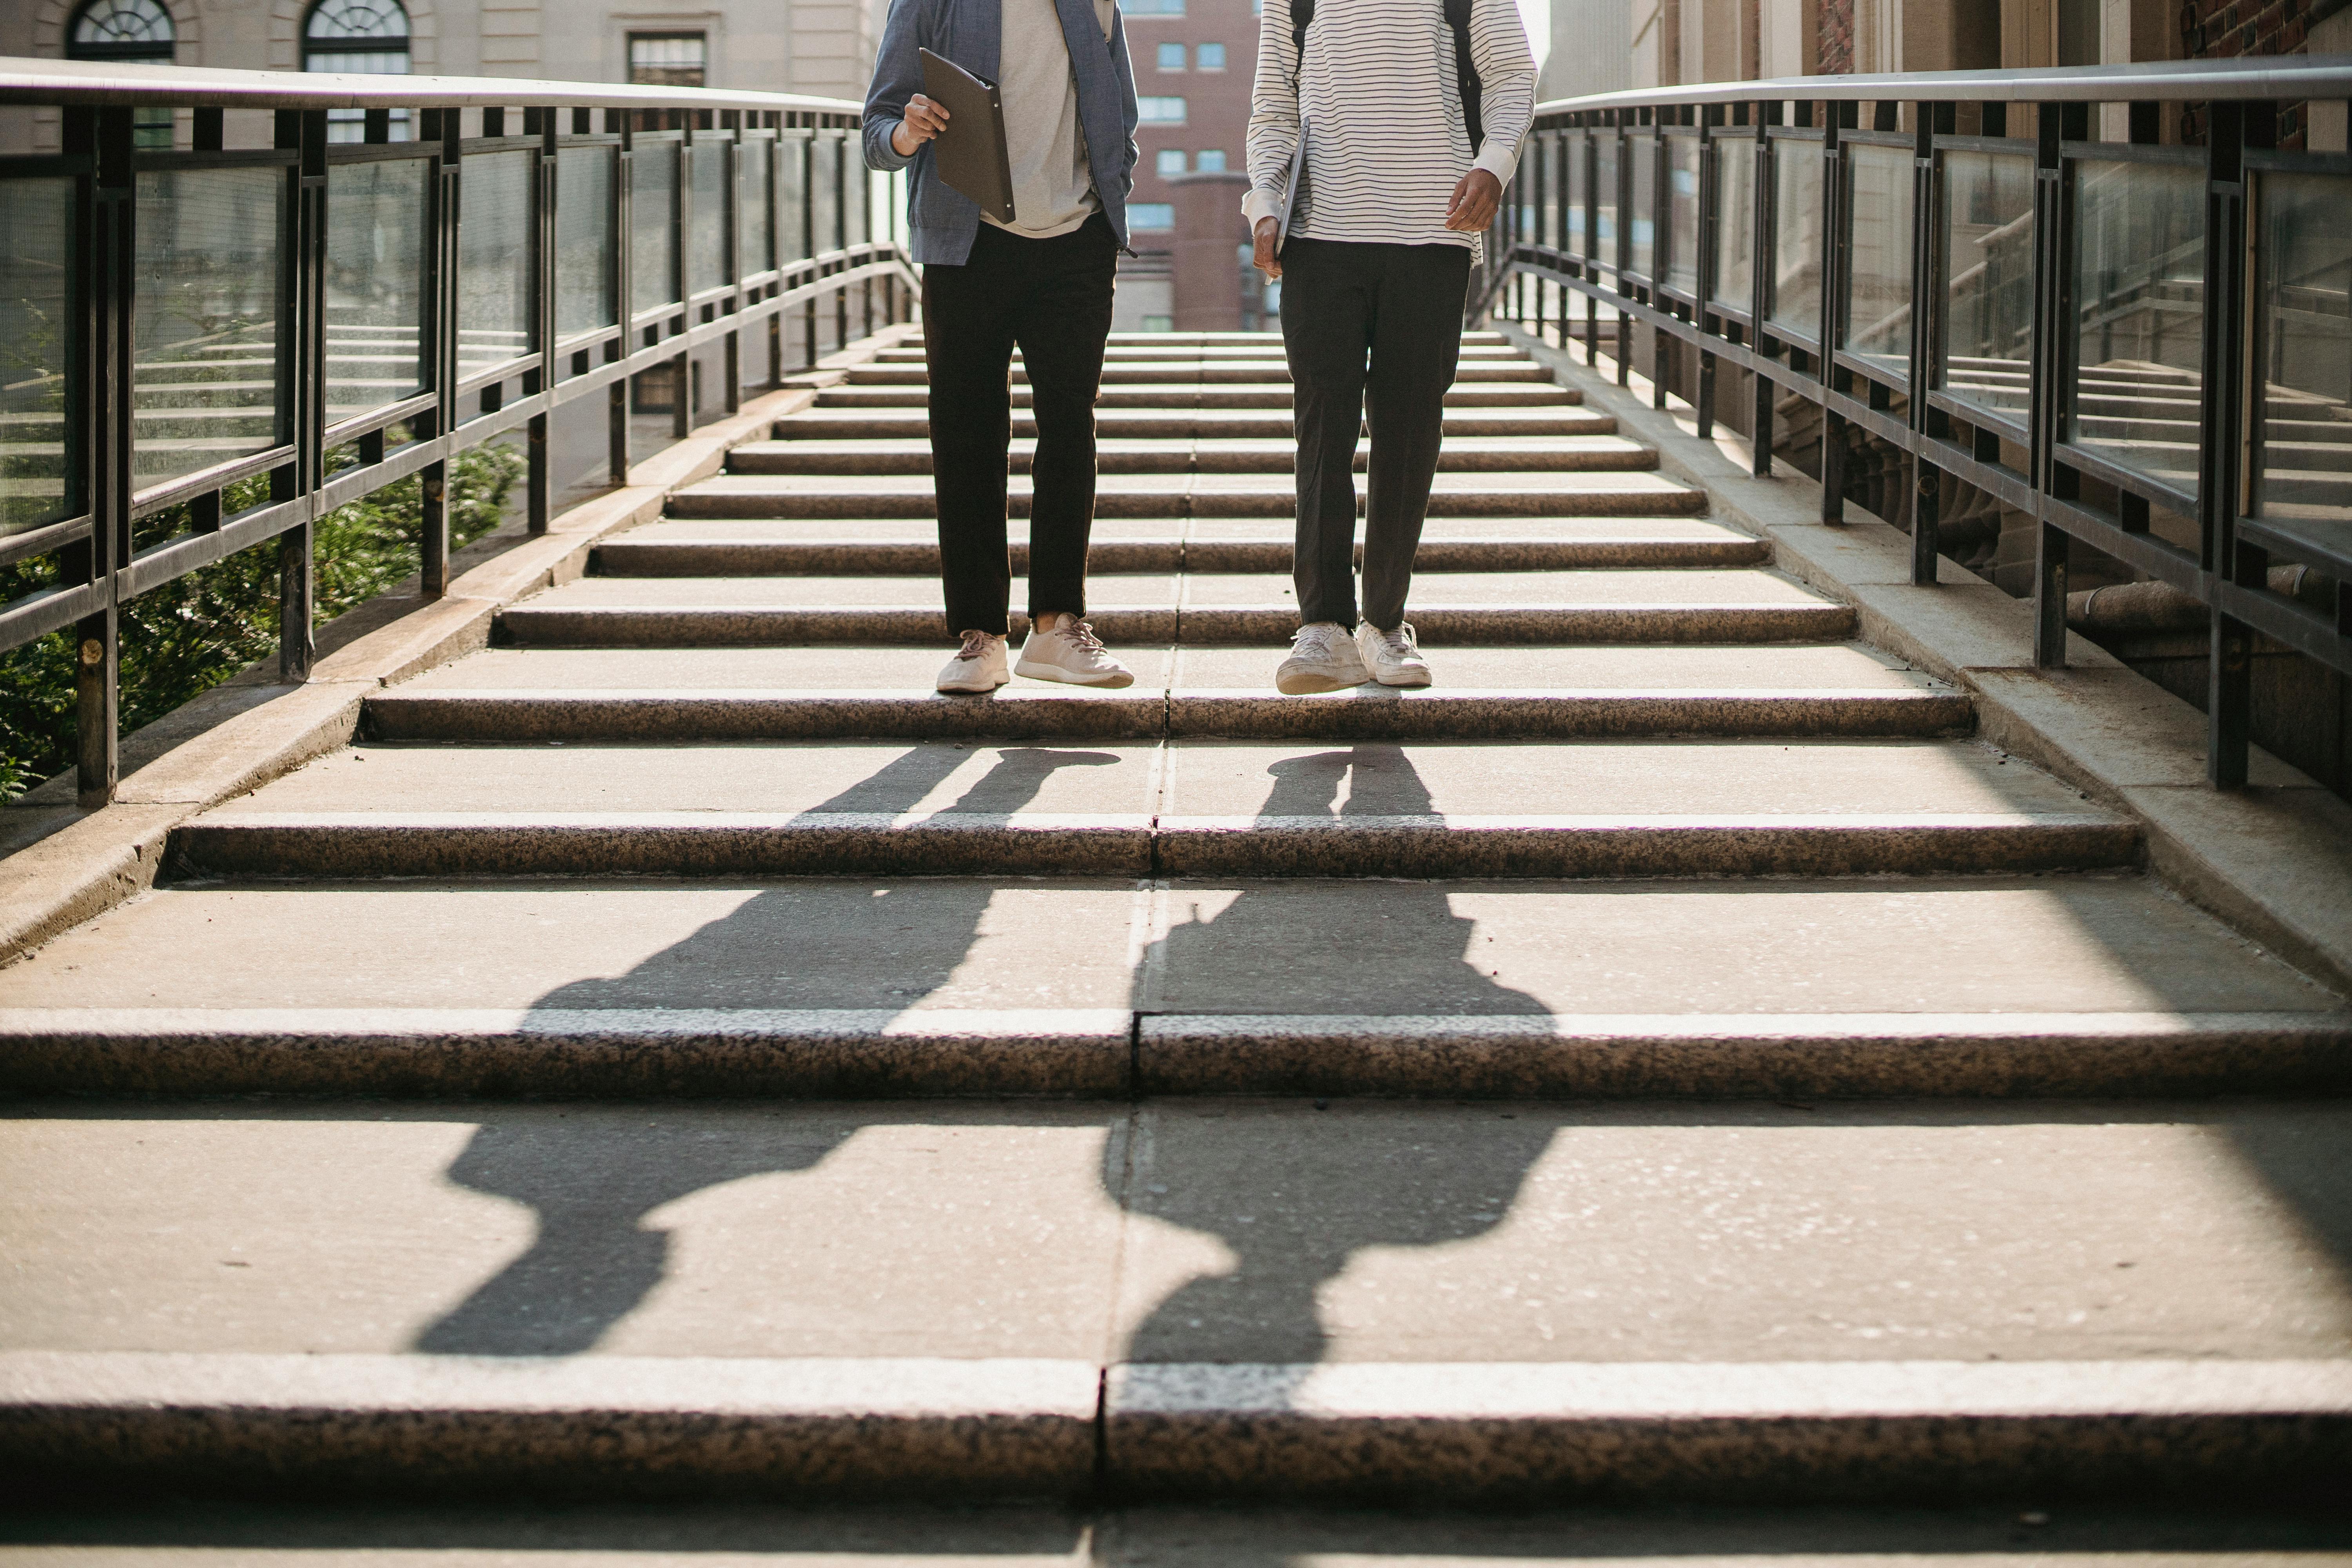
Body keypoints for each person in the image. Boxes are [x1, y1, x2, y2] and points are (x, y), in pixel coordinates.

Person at [1243, 0, 1535, 694]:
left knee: (1409, 431)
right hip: (1319, 235)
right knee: (1323, 427)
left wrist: (1495, 163)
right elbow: (1273, 106)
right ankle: (1322, 625)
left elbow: (1512, 75)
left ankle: (1384, 623)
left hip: (1435, 235)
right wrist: (1263, 200)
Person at [864, 0, 1142, 694]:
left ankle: (1056, 626)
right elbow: (876, 129)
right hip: (968, 242)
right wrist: (907, 132)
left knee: (1070, 429)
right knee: (967, 434)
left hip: (1078, 238)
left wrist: (1110, 196)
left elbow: (1119, 113)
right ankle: (980, 636)